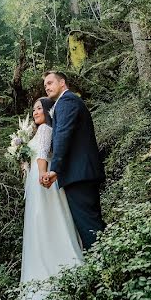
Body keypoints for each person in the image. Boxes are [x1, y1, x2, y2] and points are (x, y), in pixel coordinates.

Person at [19, 97, 84, 300]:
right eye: (34, 108)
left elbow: (42, 154)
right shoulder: (38, 132)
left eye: (39, 108)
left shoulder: (46, 128)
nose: (36, 111)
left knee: (45, 221)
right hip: (37, 178)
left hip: (42, 181)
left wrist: (40, 174)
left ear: (47, 111)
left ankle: (55, 264)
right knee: (40, 223)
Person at [41, 71, 106, 249]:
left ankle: (103, 265)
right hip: (83, 172)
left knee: (88, 223)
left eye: (50, 82)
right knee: (91, 219)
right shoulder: (68, 101)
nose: (47, 87)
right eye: (45, 85)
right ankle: (108, 259)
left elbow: (63, 134)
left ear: (62, 83)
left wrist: (55, 168)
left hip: (79, 173)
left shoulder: (67, 101)